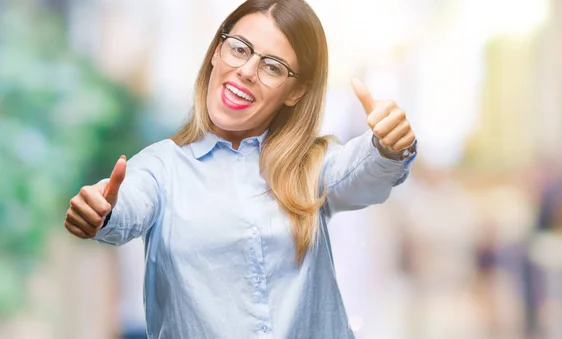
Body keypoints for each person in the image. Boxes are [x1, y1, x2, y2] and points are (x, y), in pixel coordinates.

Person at [63, 0, 417, 338]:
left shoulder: (310, 165)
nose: (247, 71)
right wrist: (102, 213)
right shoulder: (161, 167)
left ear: (295, 92)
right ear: (217, 51)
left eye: (273, 67)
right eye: (239, 49)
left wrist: (389, 145)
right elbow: (127, 205)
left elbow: (364, 171)